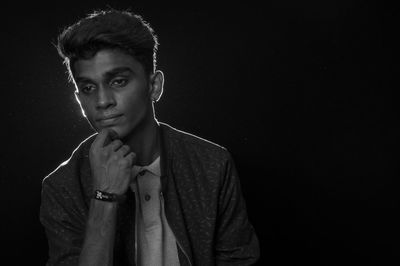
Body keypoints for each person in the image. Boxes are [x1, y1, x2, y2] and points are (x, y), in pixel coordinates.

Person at [40, 9, 259, 266]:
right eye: (88, 88)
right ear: (79, 100)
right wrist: (104, 198)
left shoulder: (212, 165)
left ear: (154, 86)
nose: (102, 101)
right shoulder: (63, 187)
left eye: (118, 81)